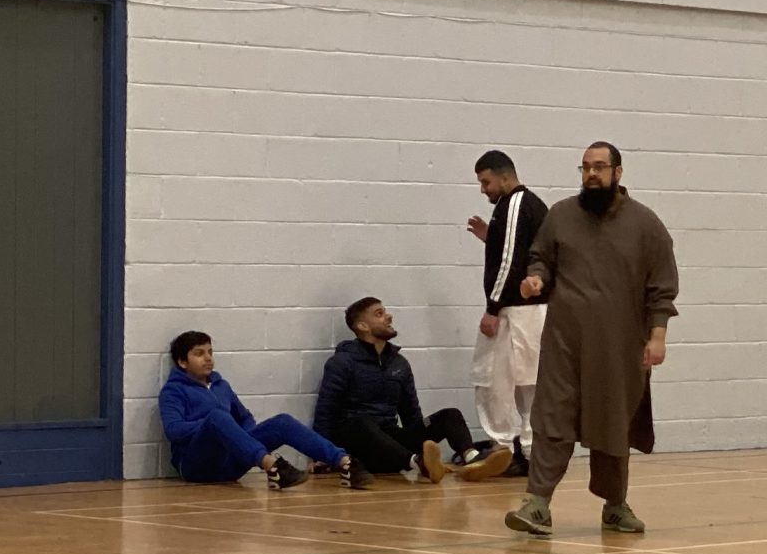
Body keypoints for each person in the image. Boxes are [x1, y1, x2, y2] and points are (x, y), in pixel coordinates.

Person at [505, 142, 680, 538]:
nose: (591, 175)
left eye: (599, 167)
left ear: (618, 172)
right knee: (552, 418)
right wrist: (536, 279)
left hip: (619, 348)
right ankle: (536, 504)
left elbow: (662, 287)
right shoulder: (561, 215)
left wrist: (658, 336)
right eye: (585, 167)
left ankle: (615, 506)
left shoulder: (646, 224)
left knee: (613, 425)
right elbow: (540, 258)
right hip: (564, 343)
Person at [313, 297, 510, 484]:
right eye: (379, 314)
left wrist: (421, 437)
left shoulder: (399, 363)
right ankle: (419, 463)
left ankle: (473, 460)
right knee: (361, 423)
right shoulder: (342, 362)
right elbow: (325, 412)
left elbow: (411, 413)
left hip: (391, 442)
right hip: (359, 446)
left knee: (450, 415)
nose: (389, 317)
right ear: (362, 326)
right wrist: (320, 456)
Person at [158, 331, 349, 489]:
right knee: (218, 417)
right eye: (199, 354)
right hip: (196, 465)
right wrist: (213, 427)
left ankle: (345, 463)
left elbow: (245, 418)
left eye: (210, 352)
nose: (208, 358)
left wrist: (240, 440)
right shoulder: (173, 390)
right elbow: (174, 430)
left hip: (230, 463)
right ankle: (272, 467)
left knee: (282, 422)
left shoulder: (221, 385)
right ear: (182, 362)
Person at [469, 150, 549, 476]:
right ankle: (527, 452)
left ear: (505, 177)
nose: (483, 189)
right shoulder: (522, 205)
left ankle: (505, 447)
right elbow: (520, 249)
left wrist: (492, 308)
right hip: (528, 311)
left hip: (516, 311)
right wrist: (491, 238)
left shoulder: (516, 203)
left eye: (486, 182)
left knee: (495, 380)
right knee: (526, 383)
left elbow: (510, 261)